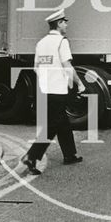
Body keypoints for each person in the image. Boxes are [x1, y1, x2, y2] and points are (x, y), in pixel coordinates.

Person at [21, 9, 86, 175]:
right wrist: (79, 83)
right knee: (53, 124)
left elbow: (37, 68)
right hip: (58, 91)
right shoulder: (61, 42)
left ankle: (70, 155)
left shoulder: (41, 43)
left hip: (44, 89)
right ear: (58, 24)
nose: (66, 24)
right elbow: (68, 66)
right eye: (64, 21)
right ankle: (32, 156)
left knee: (62, 121)